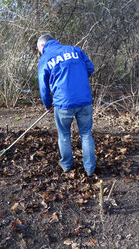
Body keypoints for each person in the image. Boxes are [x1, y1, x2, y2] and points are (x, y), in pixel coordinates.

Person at [37, 34, 96, 176]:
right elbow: (90, 68)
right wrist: (76, 79)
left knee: (64, 135)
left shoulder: (45, 58)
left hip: (63, 104)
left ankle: (67, 165)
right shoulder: (75, 50)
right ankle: (90, 169)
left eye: (38, 49)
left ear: (42, 46)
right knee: (86, 133)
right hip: (84, 100)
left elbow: (43, 87)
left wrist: (48, 104)